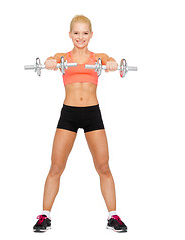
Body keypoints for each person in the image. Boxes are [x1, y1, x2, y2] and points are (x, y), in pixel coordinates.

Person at [33, 14, 127, 233]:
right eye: (76, 33)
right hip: (69, 114)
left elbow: (110, 60)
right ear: (70, 35)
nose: (80, 37)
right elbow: (51, 60)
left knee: (103, 167)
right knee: (56, 167)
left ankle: (113, 216)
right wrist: (50, 63)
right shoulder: (62, 57)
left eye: (85, 33)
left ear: (91, 35)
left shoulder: (98, 58)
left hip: (92, 114)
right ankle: (44, 216)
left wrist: (112, 64)